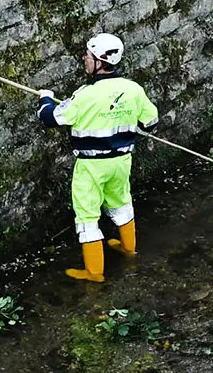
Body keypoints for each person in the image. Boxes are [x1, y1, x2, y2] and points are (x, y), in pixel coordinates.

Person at [38, 31, 159, 281]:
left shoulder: (84, 95)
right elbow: (150, 122)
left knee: (87, 216)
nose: (84, 58)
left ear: (100, 62)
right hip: (121, 163)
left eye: (88, 55)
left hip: (91, 167)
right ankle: (129, 249)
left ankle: (94, 273)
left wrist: (45, 99)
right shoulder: (133, 89)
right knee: (122, 203)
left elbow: (50, 118)